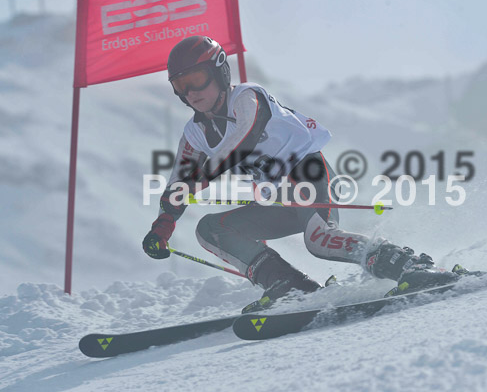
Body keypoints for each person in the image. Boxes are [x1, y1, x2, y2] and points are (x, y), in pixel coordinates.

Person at [142, 36, 464, 312]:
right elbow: (178, 185)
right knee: (211, 230)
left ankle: (411, 265)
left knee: (320, 241)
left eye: (197, 79)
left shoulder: (248, 98)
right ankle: (290, 287)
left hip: (307, 173)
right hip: (278, 198)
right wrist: (162, 227)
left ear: (219, 72)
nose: (190, 93)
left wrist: (201, 177)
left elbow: (244, 139)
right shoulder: (194, 133)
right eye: (181, 86)